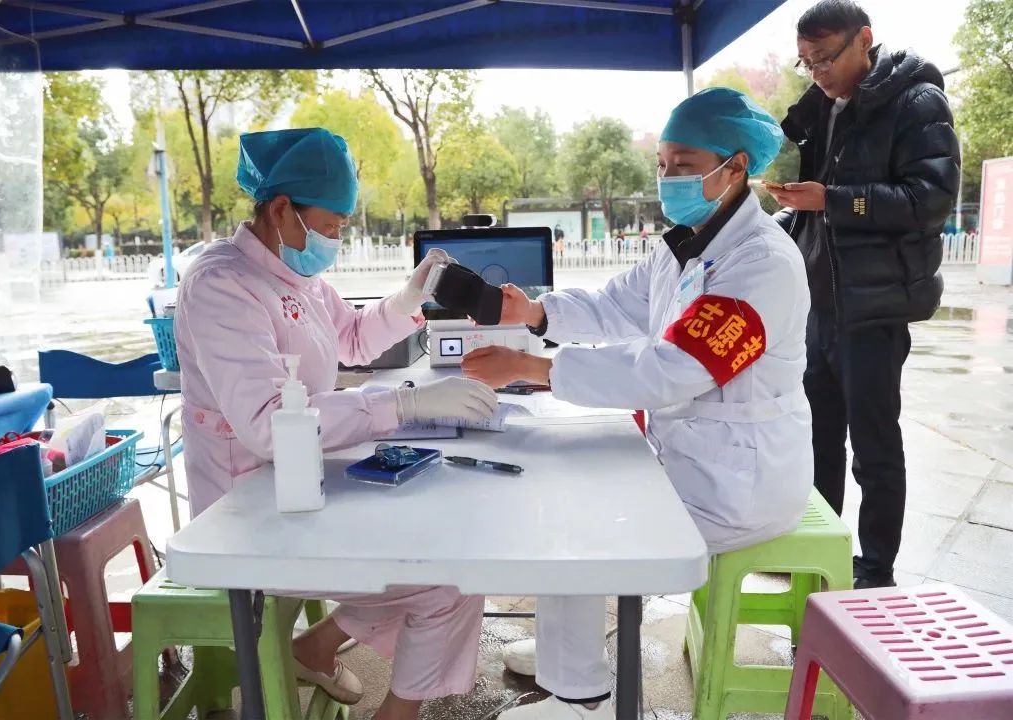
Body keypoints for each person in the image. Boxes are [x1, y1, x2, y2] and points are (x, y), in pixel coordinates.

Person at [461, 88, 812, 720]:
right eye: (662, 164)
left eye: (685, 165)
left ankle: (583, 700)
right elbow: (614, 306)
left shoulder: (760, 264)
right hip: (689, 454)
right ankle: (568, 652)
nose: (668, 178)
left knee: (579, 525)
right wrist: (535, 312)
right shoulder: (687, 243)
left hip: (737, 481)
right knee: (564, 484)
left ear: (735, 167)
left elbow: (676, 370)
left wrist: (536, 370)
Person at [175, 128, 497, 720]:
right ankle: (394, 712)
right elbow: (268, 423)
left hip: (301, 481)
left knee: (442, 539)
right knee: (447, 576)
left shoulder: (297, 277)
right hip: (246, 509)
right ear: (280, 209)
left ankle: (317, 647)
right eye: (331, 224)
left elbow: (351, 339)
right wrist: (404, 404)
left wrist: (409, 300)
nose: (337, 238)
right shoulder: (221, 284)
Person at [765, 0, 960, 589]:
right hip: (819, 302)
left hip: (873, 308)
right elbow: (818, 206)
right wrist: (783, 221)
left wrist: (832, 199)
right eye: (806, 62)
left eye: (825, 58)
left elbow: (931, 200)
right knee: (815, 440)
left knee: (874, 449)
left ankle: (875, 569)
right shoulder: (823, 109)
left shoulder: (916, 102)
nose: (817, 72)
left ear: (864, 40)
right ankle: (815, 553)